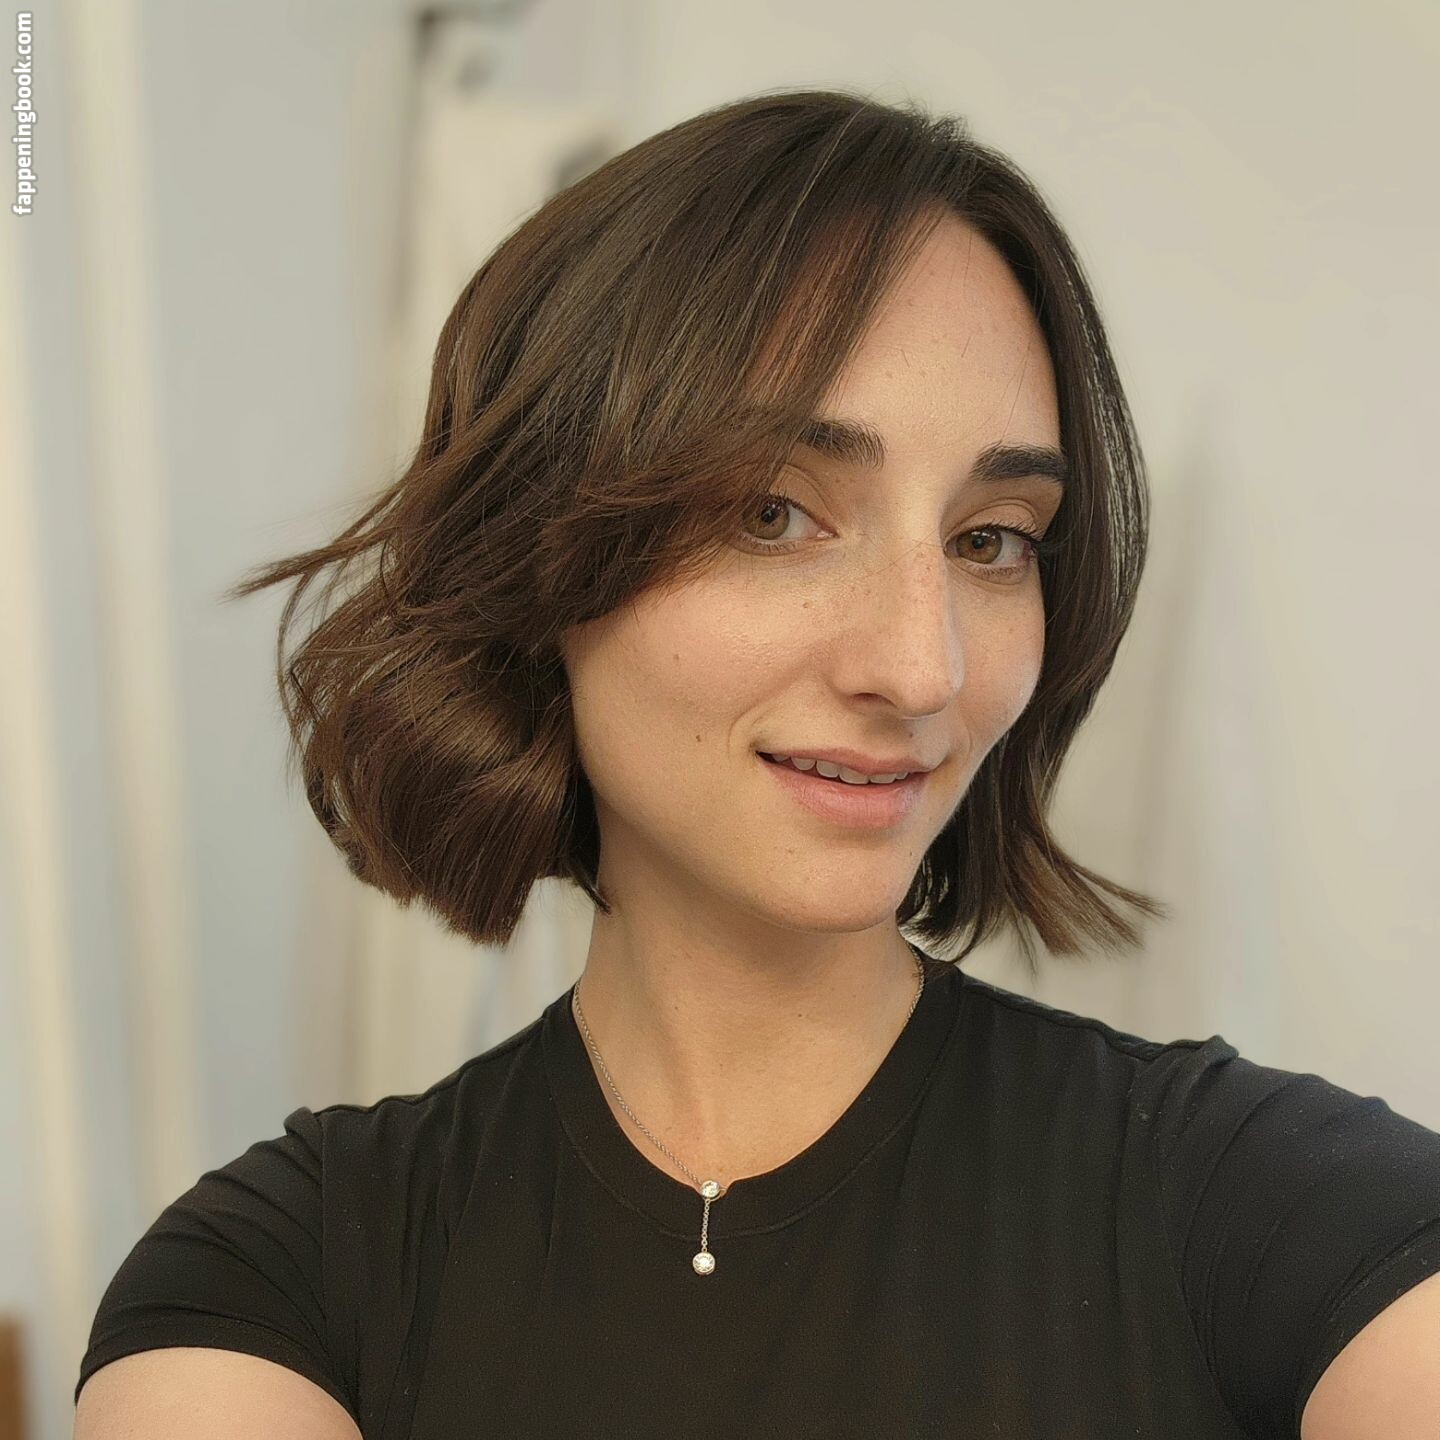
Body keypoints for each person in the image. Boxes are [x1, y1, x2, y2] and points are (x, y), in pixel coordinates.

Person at [74, 88, 1440, 1439]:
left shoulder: (1275, 1203)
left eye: (991, 539)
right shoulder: (285, 1277)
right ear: (537, 552)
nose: (922, 668)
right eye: (775, 513)